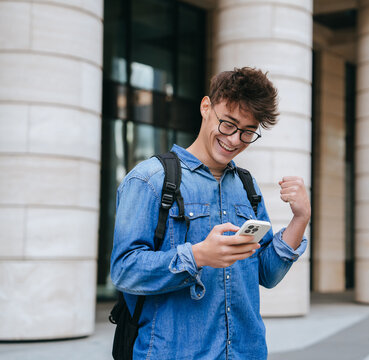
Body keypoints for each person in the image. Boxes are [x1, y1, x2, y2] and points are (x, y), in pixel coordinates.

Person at [110, 67, 311, 359]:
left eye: (247, 132)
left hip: (246, 352)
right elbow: (124, 270)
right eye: (228, 124)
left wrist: (300, 219)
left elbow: (266, 274)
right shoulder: (150, 179)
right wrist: (198, 256)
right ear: (206, 107)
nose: (234, 140)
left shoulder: (246, 185)